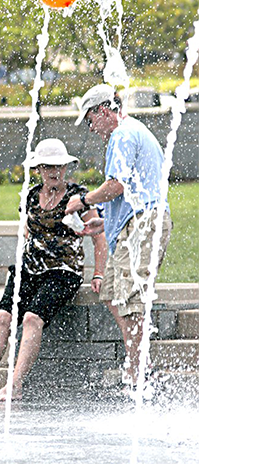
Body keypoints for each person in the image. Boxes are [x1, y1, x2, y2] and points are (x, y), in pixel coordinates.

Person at [0, 139, 107, 402]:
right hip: (30, 268)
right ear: (38, 169)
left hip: (64, 270)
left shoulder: (77, 196)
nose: (53, 171)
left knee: (31, 318)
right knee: (1, 318)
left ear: (66, 168)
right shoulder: (30, 195)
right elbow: (26, 230)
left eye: (58, 166)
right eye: (48, 166)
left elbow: (98, 237)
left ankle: (14, 386)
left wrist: (98, 273)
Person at [64, 84, 173, 391]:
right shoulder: (130, 131)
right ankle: (140, 362)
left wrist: (83, 201)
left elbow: (116, 186)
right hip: (134, 223)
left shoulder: (123, 134)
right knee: (113, 292)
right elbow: (132, 189)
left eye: (89, 120)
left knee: (130, 300)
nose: (91, 128)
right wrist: (103, 222)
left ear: (103, 111)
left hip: (143, 224)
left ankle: (140, 373)